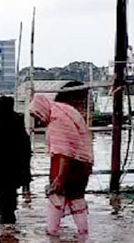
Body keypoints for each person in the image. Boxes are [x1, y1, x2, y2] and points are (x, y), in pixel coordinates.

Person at [30, 94, 93, 235]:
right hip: (82, 164)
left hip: (63, 166)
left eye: (37, 116)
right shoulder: (66, 111)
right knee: (77, 200)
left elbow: (64, 153)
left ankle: (52, 234)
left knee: (56, 199)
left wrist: (60, 177)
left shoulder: (56, 121)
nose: (39, 121)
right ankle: (83, 236)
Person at [0, 96, 31, 224]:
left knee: (2, 199)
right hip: (15, 169)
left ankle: (6, 229)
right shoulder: (17, 122)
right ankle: (10, 229)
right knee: (10, 197)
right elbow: (26, 149)